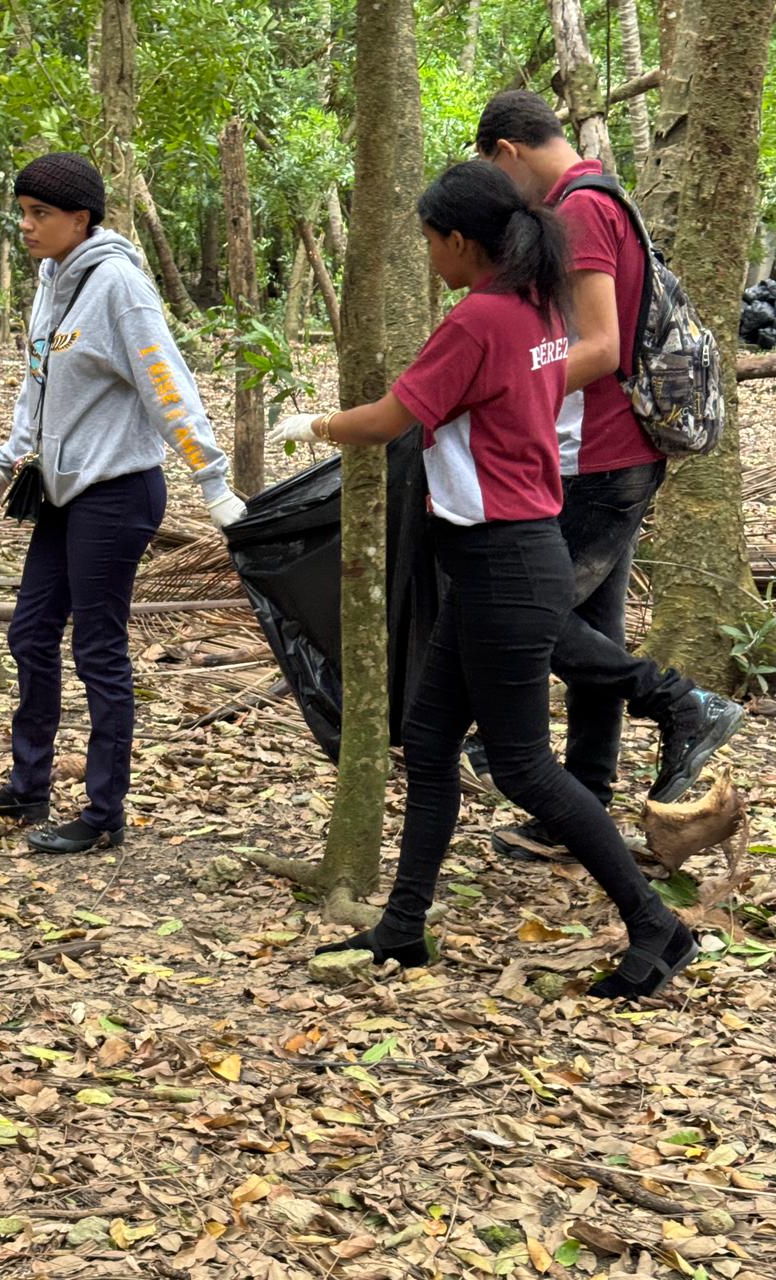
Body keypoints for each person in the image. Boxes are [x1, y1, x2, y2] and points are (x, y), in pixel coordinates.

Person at [269, 160, 699, 1000]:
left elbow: (395, 416)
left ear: (461, 241)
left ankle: (655, 925)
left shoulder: (480, 319)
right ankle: (403, 926)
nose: (430, 257)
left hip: (506, 560)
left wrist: (314, 422)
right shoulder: (539, 307)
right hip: (500, 554)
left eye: (432, 242)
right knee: (428, 745)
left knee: (524, 766)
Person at [466, 89, 742, 862]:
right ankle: (577, 806)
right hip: (608, 452)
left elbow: (599, 347)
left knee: (525, 614)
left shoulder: (581, 210)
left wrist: (492, 385)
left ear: (507, 152)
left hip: (600, 452)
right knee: (593, 628)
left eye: (497, 175)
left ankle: (685, 705)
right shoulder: (601, 196)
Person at [0, 152, 245, 854]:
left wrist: (214, 482)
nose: (25, 226)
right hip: (61, 489)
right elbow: (38, 379)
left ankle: (103, 813)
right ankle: (28, 789)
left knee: (99, 649)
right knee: (29, 634)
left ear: (79, 219)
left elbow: (166, 384)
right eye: (21, 212)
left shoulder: (119, 285)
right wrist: (5, 459)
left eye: (40, 214)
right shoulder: (52, 278)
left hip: (116, 492)